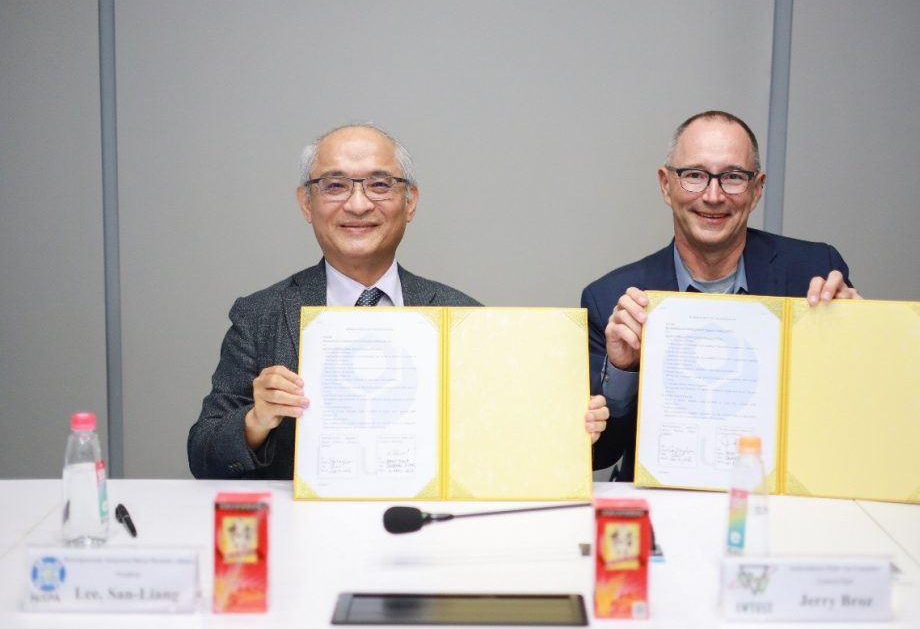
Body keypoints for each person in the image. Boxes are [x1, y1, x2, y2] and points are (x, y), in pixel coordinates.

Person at [189, 124, 608, 479]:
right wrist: (256, 421)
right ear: (306, 203)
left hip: (427, 530)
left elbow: (501, 442)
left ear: (410, 203)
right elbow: (203, 453)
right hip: (302, 531)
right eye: (335, 185)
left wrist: (562, 431)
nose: (358, 204)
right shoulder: (260, 315)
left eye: (379, 185)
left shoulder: (464, 317)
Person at [581, 110, 860, 481]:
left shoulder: (814, 273)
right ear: (666, 185)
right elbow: (598, 454)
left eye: (733, 177)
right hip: (664, 502)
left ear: (757, 189)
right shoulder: (611, 299)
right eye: (694, 175)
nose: (713, 196)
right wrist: (622, 371)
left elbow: (856, 419)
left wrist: (857, 340)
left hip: (780, 499)